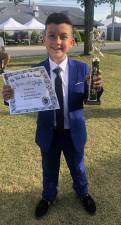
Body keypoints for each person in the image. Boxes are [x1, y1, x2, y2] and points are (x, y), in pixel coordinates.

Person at [2, 13, 103, 219]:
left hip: (73, 132)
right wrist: (9, 97)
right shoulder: (34, 72)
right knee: (49, 168)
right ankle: (48, 196)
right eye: (52, 35)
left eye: (64, 36)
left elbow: (89, 97)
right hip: (48, 133)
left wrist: (96, 88)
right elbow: (20, 99)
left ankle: (82, 192)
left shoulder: (82, 69)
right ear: (44, 39)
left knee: (78, 166)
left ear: (72, 41)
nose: (58, 41)